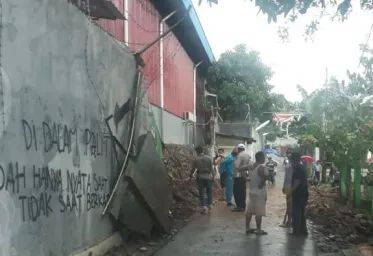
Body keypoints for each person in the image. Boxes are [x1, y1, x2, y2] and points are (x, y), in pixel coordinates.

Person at [245, 151, 269, 235]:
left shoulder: (251, 166)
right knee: (259, 211)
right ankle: (258, 229)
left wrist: (246, 178)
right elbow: (266, 176)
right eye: (264, 157)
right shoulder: (262, 167)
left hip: (252, 191)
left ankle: (247, 227)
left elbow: (239, 168)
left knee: (250, 210)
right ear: (261, 158)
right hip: (260, 191)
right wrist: (261, 183)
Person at [190, 145, 214, 214]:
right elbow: (212, 169)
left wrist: (190, 176)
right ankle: (210, 206)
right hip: (208, 176)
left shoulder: (196, 159)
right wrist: (213, 177)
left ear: (196, 151)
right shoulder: (209, 158)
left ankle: (203, 207)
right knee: (209, 191)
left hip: (200, 176)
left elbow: (193, 169)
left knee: (202, 192)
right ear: (203, 150)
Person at [290, 152, 309, 236]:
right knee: (302, 212)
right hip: (304, 192)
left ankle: (296, 231)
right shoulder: (303, 167)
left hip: (298, 193)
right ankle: (303, 230)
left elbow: (297, 182)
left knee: (296, 212)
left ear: (293, 160)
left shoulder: (298, 168)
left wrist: (290, 191)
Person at [232, 143, 250, 212]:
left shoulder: (239, 156)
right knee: (243, 191)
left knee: (237, 191)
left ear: (238, 149)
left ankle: (239, 206)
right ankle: (243, 205)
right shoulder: (247, 155)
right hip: (245, 175)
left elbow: (237, 167)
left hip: (238, 175)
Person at [280, 152, 293, 228]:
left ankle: (288, 222)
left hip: (289, 187)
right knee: (290, 205)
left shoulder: (288, 166)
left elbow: (286, 178)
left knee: (289, 205)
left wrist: (284, 187)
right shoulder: (294, 166)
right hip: (291, 187)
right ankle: (289, 221)